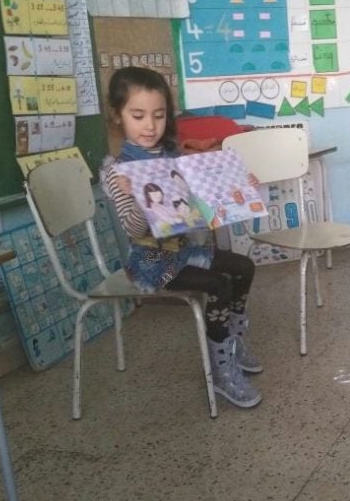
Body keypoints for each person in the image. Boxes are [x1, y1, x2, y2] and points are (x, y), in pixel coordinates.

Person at [100, 66, 262, 409]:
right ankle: (222, 372)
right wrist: (139, 200)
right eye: (138, 115)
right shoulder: (116, 169)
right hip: (149, 263)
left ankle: (232, 341)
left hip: (184, 250)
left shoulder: (173, 156)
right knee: (218, 284)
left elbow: (201, 207)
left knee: (243, 266)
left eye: (158, 115)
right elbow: (133, 231)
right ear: (118, 116)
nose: (149, 125)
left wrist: (237, 187)